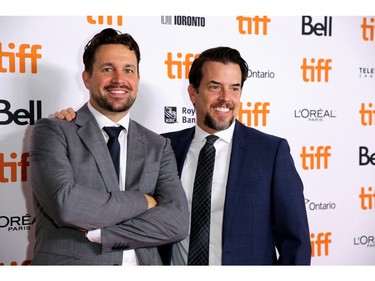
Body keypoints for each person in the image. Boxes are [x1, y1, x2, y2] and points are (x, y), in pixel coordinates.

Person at [56, 46, 311, 265]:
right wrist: (72, 122)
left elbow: (295, 241)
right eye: (214, 87)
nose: (226, 98)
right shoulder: (162, 147)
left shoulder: (270, 152)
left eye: (235, 88)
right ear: (193, 93)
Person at [29, 28, 189, 265]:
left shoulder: (158, 145)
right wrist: (144, 201)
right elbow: (66, 206)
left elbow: (177, 222)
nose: (119, 79)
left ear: (137, 79)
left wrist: (105, 234)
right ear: (87, 78)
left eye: (128, 70)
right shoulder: (54, 131)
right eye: (107, 69)